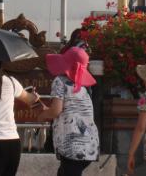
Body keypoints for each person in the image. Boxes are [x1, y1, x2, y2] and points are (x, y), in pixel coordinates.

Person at [39, 47, 100, 175]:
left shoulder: (60, 81)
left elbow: (56, 111)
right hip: (90, 145)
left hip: (71, 145)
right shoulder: (85, 87)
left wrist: (42, 115)